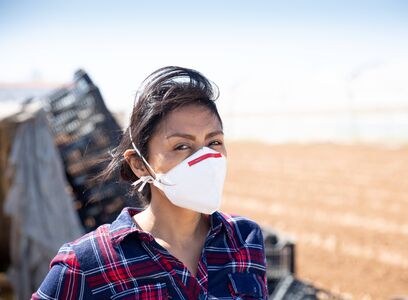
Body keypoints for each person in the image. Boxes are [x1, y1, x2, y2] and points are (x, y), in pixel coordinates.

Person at [32, 66, 268, 299]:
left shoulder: (244, 238)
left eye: (214, 142)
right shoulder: (86, 262)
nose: (205, 158)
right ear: (139, 164)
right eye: (181, 146)